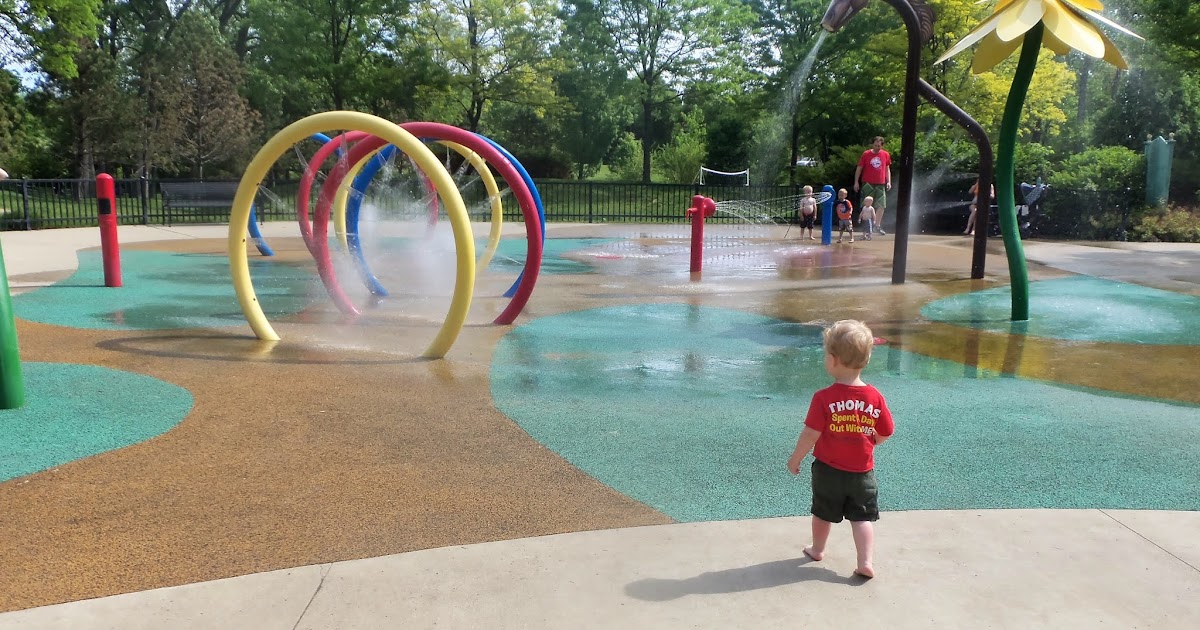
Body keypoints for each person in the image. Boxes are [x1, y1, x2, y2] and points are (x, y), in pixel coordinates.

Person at [787, 319, 895, 579]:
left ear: (832, 360)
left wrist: (795, 458)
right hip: (862, 473)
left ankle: (817, 549)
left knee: (822, 513)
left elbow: (811, 433)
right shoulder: (875, 397)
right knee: (861, 518)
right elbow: (886, 430)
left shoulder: (823, 398)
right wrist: (873, 441)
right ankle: (865, 561)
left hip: (828, 471)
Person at [854, 136, 891, 235]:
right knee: (866, 205)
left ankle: (877, 226)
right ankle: (866, 227)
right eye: (875, 145)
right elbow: (859, 168)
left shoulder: (885, 154)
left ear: (882, 146)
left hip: (881, 183)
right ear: (872, 144)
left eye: (879, 146)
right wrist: (856, 182)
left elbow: (887, 169)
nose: (877, 147)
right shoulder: (866, 154)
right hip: (868, 182)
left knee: (881, 205)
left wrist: (888, 181)